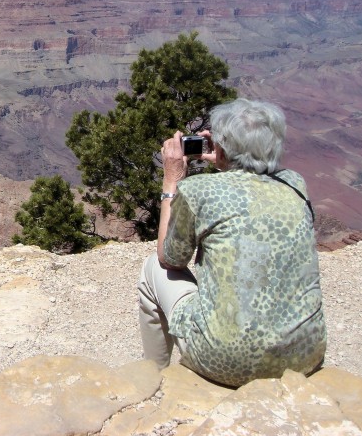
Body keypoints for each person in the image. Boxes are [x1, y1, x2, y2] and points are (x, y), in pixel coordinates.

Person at [137, 98, 326, 387]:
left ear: (222, 146)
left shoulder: (200, 191)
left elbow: (169, 258)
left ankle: (155, 377)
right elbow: (249, 189)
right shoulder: (295, 183)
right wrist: (228, 160)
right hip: (302, 359)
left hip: (225, 361)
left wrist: (171, 180)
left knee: (153, 268)